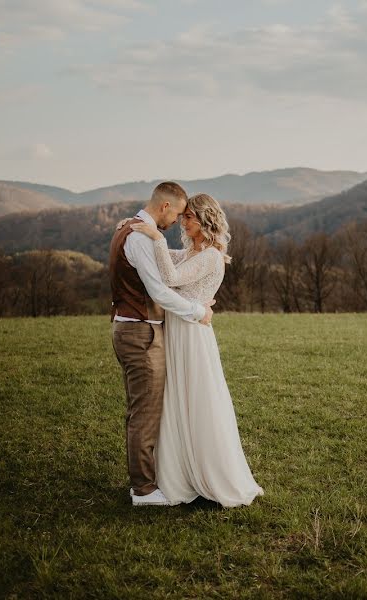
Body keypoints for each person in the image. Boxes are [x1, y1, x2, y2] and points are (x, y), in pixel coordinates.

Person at [123, 193, 264, 507]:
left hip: (191, 334)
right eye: (183, 216)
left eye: (189, 218)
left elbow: (171, 277)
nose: (183, 222)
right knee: (176, 398)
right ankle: (178, 470)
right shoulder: (193, 251)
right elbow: (170, 260)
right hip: (178, 328)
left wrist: (156, 236)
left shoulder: (212, 256)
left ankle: (207, 473)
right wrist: (142, 234)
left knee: (196, 398)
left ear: (205, 221)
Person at [108, 182, 214, 507]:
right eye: (179, 213)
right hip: (141, 333)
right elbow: (159, 291)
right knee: (145, 413)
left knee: (143, 409)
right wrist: (199, 312)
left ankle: (148, 481)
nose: (179, 221)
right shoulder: (140, 237)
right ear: (165, 207)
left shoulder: (130, 228)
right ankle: (143, 490)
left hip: (134, 329)